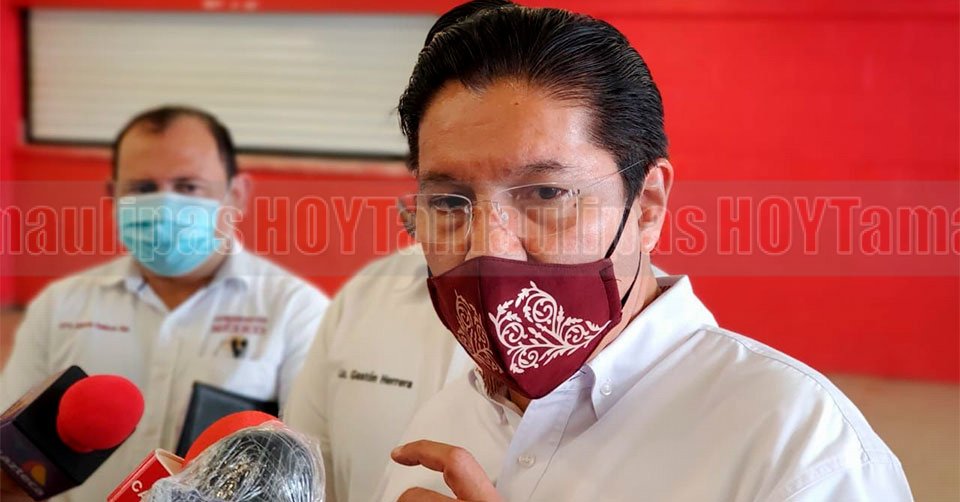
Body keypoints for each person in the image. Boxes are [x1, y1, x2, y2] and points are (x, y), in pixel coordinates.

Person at [375, 2, 914, 501]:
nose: (489, 247)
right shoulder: (443, 419)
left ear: (648, 206)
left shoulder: (800, 450)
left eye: (546, 194)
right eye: (448, 201)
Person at [0, 106, 329, 501]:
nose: (163, 208)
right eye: (142, 188)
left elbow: (303, 469)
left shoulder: (296, 310)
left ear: (236, 195)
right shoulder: (60, 304)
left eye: (188, 186)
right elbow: (10, 451)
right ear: (113, 196)